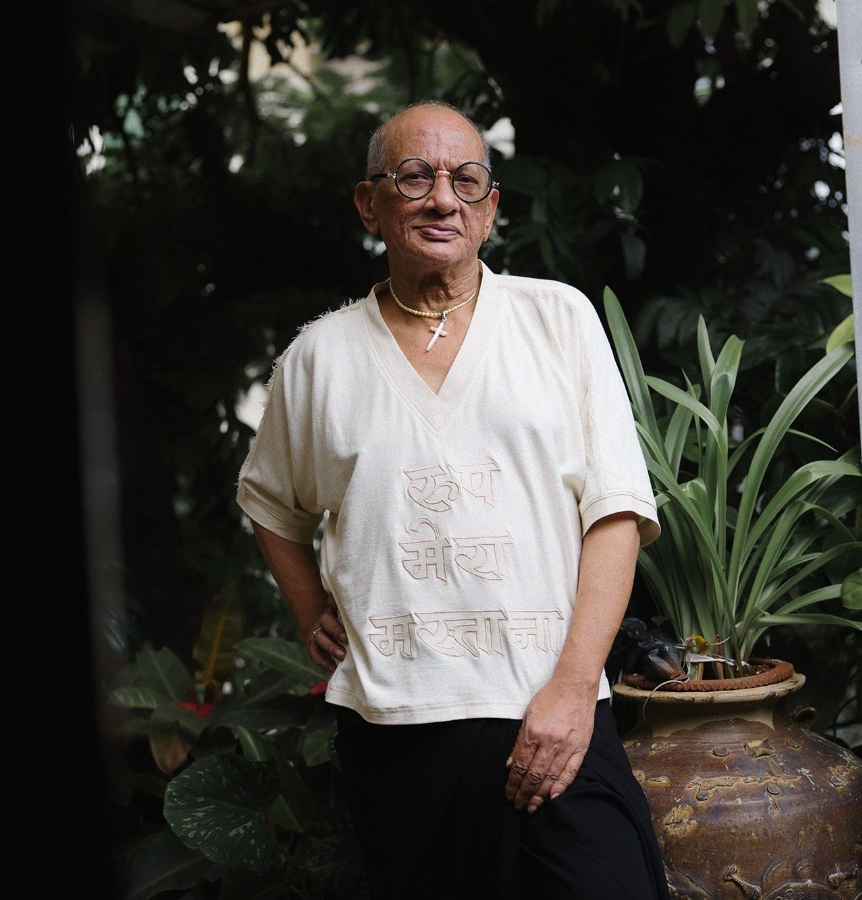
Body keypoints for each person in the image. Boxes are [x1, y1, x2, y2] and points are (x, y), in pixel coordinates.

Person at [236, 100, 670, 900]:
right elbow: (270, 503)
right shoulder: (319, 358)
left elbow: (614, 513)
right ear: (370, 203)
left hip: (554, 709)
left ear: (491, 208)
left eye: (466, 181)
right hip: (397, 732)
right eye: (414, 176)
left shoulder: (556, 319)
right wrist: (307, 611)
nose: (443, 199)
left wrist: (575, 689)